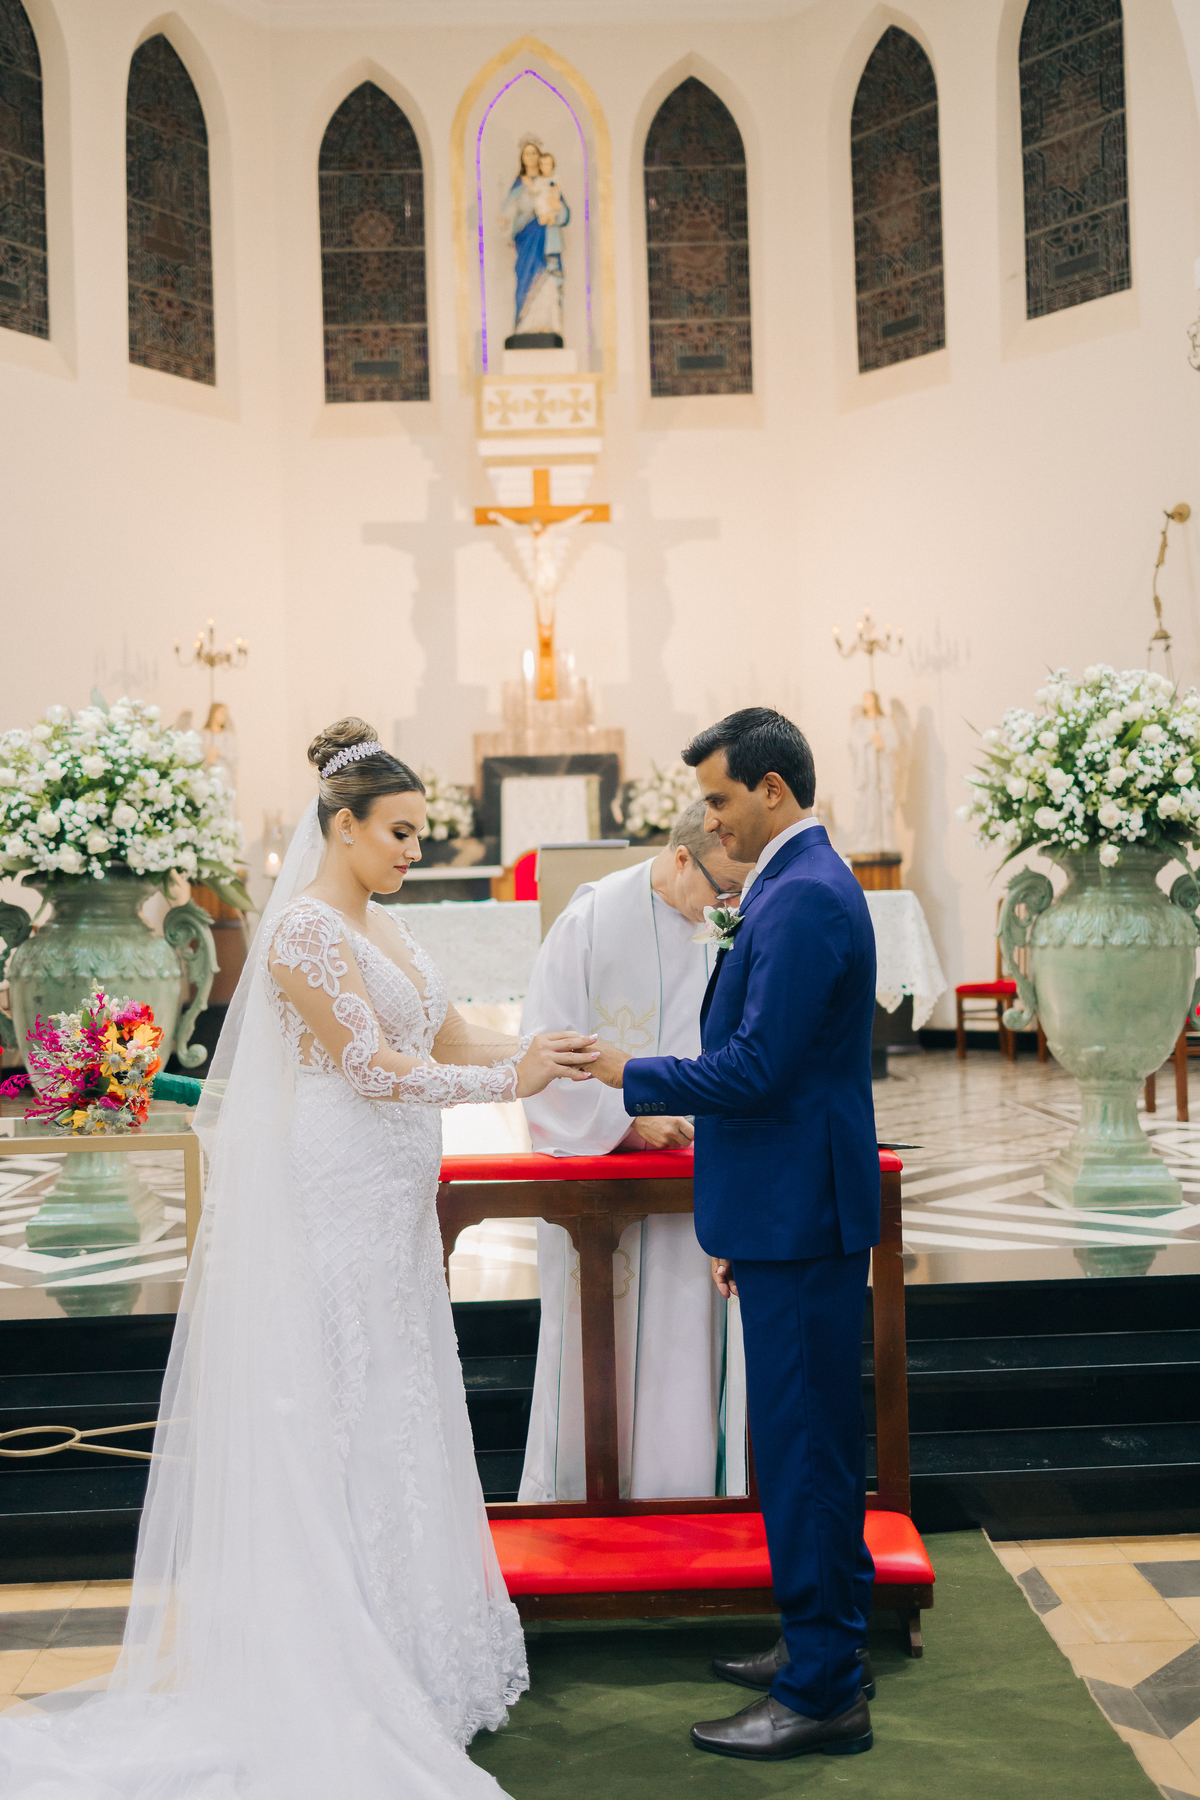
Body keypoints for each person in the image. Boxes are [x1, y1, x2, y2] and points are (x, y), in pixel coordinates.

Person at [0, 718, 598, 1800]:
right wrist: (505, 1086)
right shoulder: (305, 934)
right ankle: (336, 1659)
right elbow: (370, 1067)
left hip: (391, 1197)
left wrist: (535, 1051)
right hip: (338, 1186)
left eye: (420, 833)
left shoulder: (386, 926)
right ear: (344, 826)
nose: (414, 850)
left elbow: (440, 1035)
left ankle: (412, 1651)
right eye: (400, 832)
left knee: (399, 1397)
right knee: (341, 1399)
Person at [588, 708, 880, 1763]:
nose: (709, 820)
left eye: (718, 799)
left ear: (771, 789)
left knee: (804, 1454)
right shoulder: (797, 884)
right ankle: (824, 1640)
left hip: (799, 1213)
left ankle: (822, 1691)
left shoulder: (802, 897)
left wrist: (625, 1070)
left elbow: (758, 1070)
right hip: (786, 1205)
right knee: (809, 1445)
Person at [519, 800, 755, 1502]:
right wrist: (628, 1118)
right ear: (682, 858)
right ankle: (587, 1496)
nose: (729, 906)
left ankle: (691, 1496)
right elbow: (545, 1048)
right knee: (605, 1345)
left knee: (689, 1342)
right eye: (722, 889)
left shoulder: (733, 924)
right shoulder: (591, 921)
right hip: (608, 1181)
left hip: (701, 1182)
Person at [498, 139, 569, 342]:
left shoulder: (550, 182)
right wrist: (507, 220)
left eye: (534, 153)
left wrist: (556, 210)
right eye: (527, 153)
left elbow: (565, 213)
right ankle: (525, 326)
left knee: (548, 278)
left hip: (546, 240)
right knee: (526, 279)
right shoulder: (519, 185)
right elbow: (509, 213)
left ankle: (549, 325)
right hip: (527, 241)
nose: (531, 157)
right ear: (522, 158)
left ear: (540, 157)